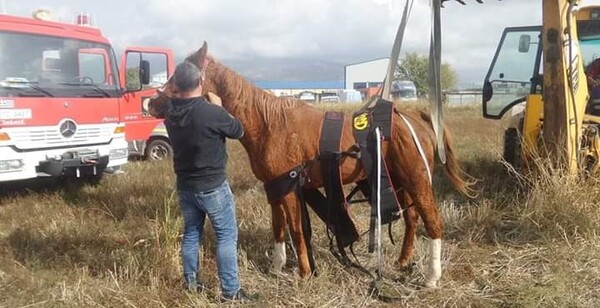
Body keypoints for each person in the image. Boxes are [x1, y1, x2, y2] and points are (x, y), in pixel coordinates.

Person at [164, 61, 254, 303]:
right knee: (226, 236)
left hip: (185, 186)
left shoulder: (170, 113)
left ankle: (192, 284)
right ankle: (231, 292)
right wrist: (221, 108)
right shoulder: (211, 113)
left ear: (176, 85)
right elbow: (238, 131)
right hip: (213, 187)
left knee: (192, 234)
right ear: (201, 82)